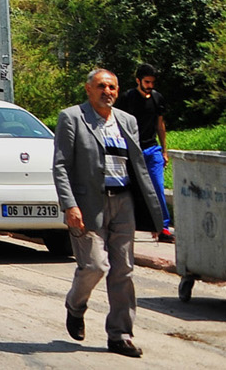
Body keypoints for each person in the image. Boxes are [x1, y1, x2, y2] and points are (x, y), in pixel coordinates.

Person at [53, 68, 161, 358]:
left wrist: (154, 212)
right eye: (101, 86)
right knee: (95, 266)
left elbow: (138, 166)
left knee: (123, 270)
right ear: (88, 89)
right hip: (88, 205)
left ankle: (120, 335)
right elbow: (61, 165)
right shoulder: (72, 117)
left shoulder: (127, 120)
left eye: (112, 87)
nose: (108, 92)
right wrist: (69, 204)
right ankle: (75, 306)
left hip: (123, 201)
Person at [116, 63, 173, 242]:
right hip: (132, 151)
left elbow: (160, 124)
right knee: (132, 190)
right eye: (147, 82)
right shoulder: (127, 98)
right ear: (138, 80)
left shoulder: (157, 98)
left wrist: (164, 150)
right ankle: (129, 225)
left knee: (157, 187)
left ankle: (162, 227)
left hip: (152, 149)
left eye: (152, 82)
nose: (150, 85)